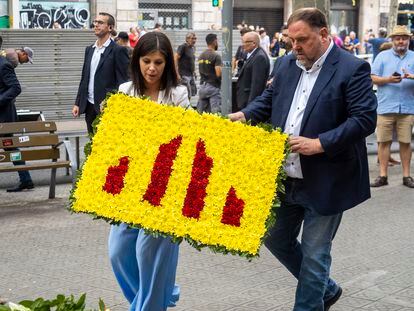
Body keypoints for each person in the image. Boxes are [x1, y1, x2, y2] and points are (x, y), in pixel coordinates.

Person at [229, 8, 377, 310]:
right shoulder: (285, 64)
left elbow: (364, 119)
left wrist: (320, 143)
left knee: (315, 254)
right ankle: (327, 288)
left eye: (302, 40)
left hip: (327, 179)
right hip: (286, 177)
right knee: (273, 237)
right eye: (290, 40)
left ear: (324, 34)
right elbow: (269, 100)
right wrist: (245, 115)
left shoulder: (351, 68)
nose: (295, 47)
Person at [109, 31, 189, 311]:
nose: (152, 68)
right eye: (146, 61)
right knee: (118, 252)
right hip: (131, 187)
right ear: (137, 60)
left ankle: (149, 305)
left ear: (167, 64)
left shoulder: (178, 94)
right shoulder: (125, 91)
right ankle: (155, 298)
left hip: (167, 188)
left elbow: (183, 141)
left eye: (158, 62)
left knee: (148, 253)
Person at [370, 25, 414, 188]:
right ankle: (383, 176)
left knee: (405, 142)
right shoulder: (382, 56)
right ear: (392, 40)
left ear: (409, 40)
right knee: (383, 142)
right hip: (386, 106)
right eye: (397, 38)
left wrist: (411, 77)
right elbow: (372, 78)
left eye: (404, 38)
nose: (401, 41)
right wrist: (388, 79)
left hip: (408, 107)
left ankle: (406, 176)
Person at [72, 12, 129, 134]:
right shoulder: (89, 50)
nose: (96, 25)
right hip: (89, 106)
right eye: (95, 22)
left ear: (110, 27)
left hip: (108, 108)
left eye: (100, 22)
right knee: (92, 143)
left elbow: (124, 82)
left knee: (107, 145)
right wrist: (77, 103)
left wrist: (117, 106)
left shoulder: (118, 51)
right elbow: (84, 78)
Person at [0, 47, 35, 192]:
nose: (26, 62)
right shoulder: (6, 62)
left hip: (3, 115)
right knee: (11, 146)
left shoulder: (4, 64)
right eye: (27, 59)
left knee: (11, 145)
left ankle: (26, 179)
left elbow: (15, 88)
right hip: (4, 114)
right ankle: (26, 180)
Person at [235, 31, 270, 110]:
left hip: (249, 102)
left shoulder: (259, 57)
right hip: (244, 100)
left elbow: (257, 85)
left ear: (254, 43)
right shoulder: (253, 54)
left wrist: (251, 107)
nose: (242, 45)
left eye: (245, 42)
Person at [197, 33, 222, 113]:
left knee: (200, 113)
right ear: (214, 41)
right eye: (217, 40)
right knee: (215, 113)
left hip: (202, 87)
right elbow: (218, 74)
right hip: (213, 87)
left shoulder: (201, 55)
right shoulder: (216, 56)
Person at [175, 32, 197, 100]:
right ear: (187, 39)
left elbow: (191, 61)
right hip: (183, 75)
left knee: (192, 93)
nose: (194, 40)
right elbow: (175, 58)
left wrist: (194, 71)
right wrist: (177, 73)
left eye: (195, 38)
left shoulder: (193, 48)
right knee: (186, 95)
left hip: (190, 75)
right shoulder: (183, 47)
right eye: (192, 38)